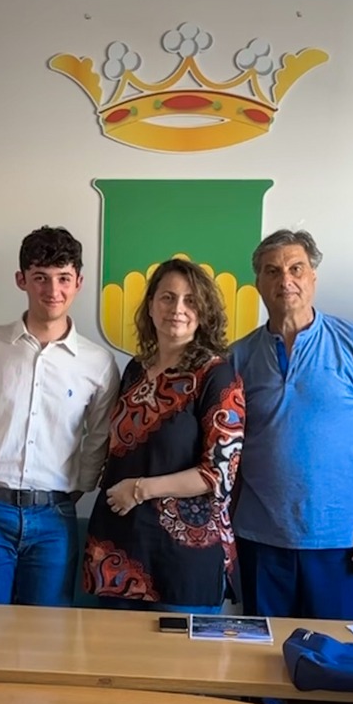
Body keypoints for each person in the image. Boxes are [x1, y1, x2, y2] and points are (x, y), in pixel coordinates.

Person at [230, 229, 353, 621]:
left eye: (296, 269)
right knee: (262, 653)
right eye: (272, 271)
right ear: (258, 283)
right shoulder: (238, 356)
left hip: (341, 539)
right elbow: (229, 451)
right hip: (260, 538)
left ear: (313, 278)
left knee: (335, 652)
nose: (285, 280)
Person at [0, 226, 118, 607]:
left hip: (53, 516)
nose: (52, 290)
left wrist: (76, 488)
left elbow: (98, 435)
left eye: (63, 278)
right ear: (21, 280)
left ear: (78, 282)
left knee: (47, 630)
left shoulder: (97, 362)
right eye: (40, 277)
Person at [82, 258, 245, 612]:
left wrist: (140, 489)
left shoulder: (217, 377)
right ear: (151, 306)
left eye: (190, 300)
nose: (177, 309)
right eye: (167, 297)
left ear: (204, 312)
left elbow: (218, 475)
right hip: (118, 548)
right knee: (106, 650)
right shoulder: (135, 369)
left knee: (178, 650)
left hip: (183, 560)